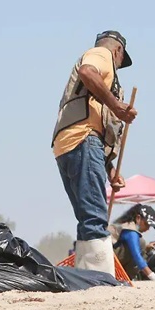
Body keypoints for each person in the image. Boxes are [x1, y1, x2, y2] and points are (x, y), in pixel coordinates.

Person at [51, 30, 137, 276]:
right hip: (82, 139)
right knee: (95, 216)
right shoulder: (101, 54)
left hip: (67, 144)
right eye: (121, 60)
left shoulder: (100, 70)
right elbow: (87, 72)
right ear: (118, 51)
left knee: (87, 217)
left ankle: (86, 275)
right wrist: (117, 106)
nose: (119, 66)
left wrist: (109, 169)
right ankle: (101, 277)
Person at [108, 204, 155, 281]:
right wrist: (153, 276)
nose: (147, 229)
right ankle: (127, 278)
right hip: (108, 258)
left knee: (142, 244)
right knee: (141, 243)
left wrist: (146, 248)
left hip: (110, 255)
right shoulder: (130, 231)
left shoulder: (125, 225)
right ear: (138, 218)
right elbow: (136, 255)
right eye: (146, 224)